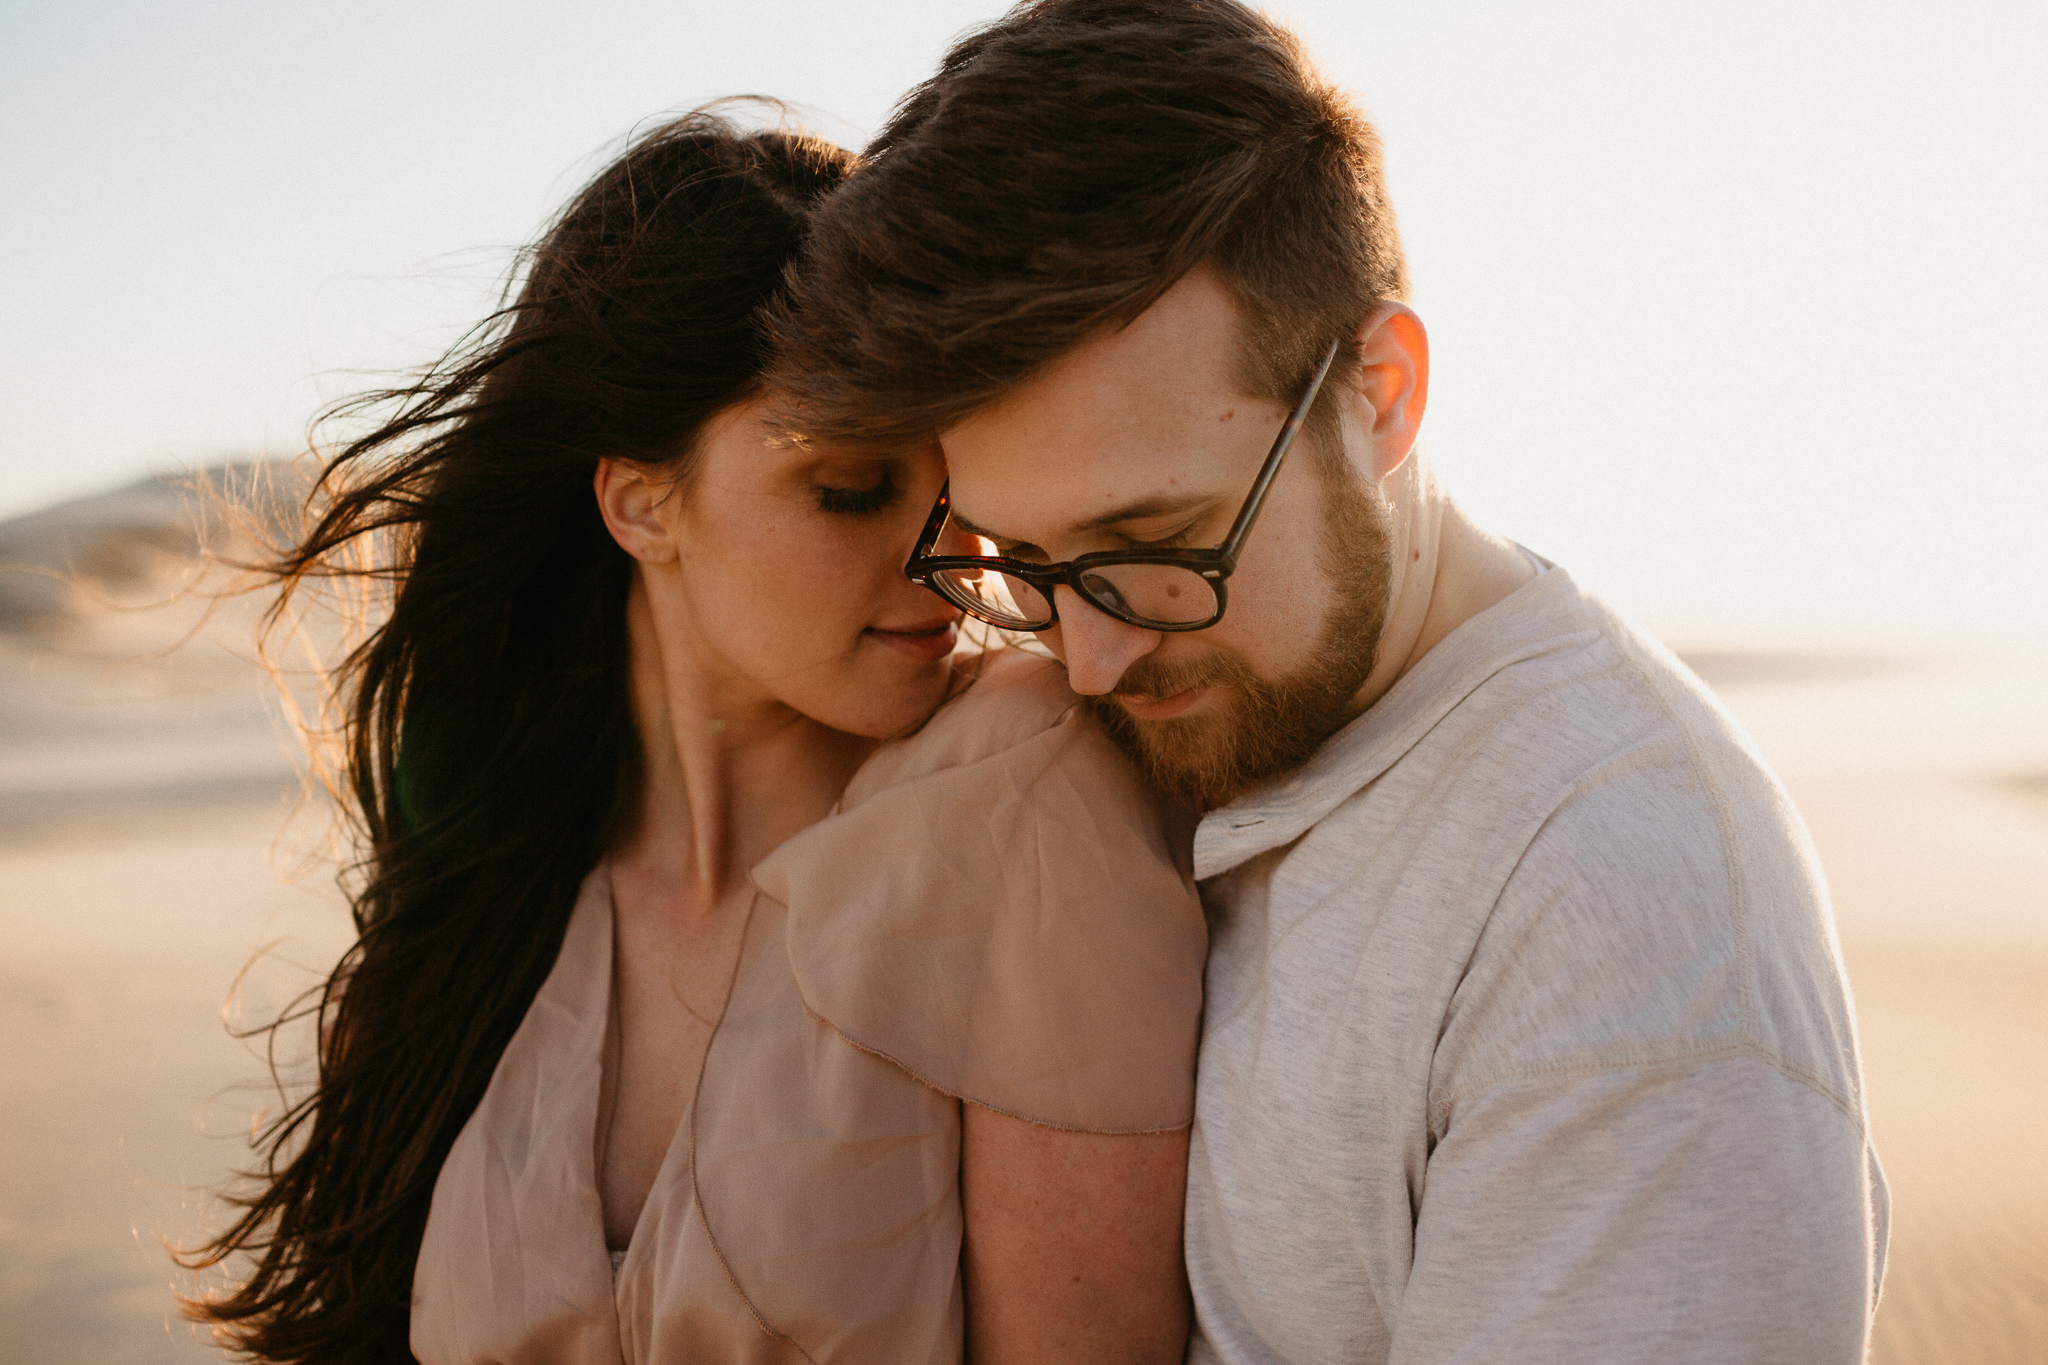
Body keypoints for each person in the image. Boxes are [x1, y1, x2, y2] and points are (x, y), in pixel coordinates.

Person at [769, 2, 1891, 1360]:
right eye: (1027, 562)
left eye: (1157, 549)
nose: (1094, 656)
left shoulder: (1623, 921)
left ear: (1384, 396)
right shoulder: (1172, 705)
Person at [180, 110, 1204, 1364]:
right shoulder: (486, 892)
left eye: (960, 496)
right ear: (638, 501)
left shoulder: (1017, 789)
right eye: (848, 490)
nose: (951, 562)